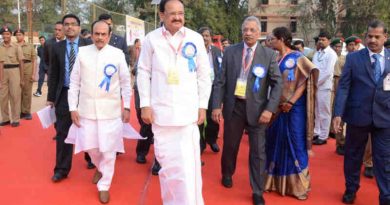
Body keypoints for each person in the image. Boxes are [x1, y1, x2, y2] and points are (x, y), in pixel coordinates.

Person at [137, 0, 212, 204]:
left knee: (188, 170)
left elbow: (205, 75)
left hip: (188, 116)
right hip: (161, 116)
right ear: (162, 15)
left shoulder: (195, 38)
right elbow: (143, 72)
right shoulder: (151, 39)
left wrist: (202, 106)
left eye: (181, 13)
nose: (178, 17)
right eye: (172, 14)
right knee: (168, 169)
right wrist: (145, 104)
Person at [212, 16, 283, 205]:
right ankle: (227, 173)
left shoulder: (268, 55)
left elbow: (277, 84)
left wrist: (270, 109)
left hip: (259, 111)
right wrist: (216, 106)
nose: (248, 33)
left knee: (258, 152)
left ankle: (258, 190)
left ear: (259, 33)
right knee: (230, 146)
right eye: (245, 29)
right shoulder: (230, 52)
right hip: (234, 107)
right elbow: (220, 81)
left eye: (252, 30)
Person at [66, 20, 131, 204]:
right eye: (97, 34)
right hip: (86, 110)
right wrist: (73, 107)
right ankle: (100, 167)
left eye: (104, 34)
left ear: (109, 35)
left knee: (109, 150)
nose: (100, 37)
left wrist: (126, 106)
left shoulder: (118, 54)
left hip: (111, 112)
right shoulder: (82, 53)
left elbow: (126, 84)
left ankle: (104, 185)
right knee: (90, 147)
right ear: (92, 34)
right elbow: (74, 83)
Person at [333, 20, 390, 205]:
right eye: (369, 36)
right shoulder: (353, 58)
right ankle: (351, 188)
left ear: (385, 37)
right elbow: (343, 87)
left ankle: (386, 196)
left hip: (385, 117)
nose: (372, 40)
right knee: (353, 156)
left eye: (377, 37)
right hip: (358, 116)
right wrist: (338, 114)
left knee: (384, 159)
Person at [264, 26, 318, 200]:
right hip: (276, 109)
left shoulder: (298, 57)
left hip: (294, 109)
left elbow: (305, 79)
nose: (270, 42)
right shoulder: (275, 57)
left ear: (281, 39)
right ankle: (273, 182)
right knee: (274, 141)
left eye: (272, 39)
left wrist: (291, 101)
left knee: (295, 142)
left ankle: (298, 186)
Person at [47, 14, 93, 183]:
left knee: (89, 129)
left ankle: (92, 159)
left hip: (86, 94)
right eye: (66, 24)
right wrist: (51, 97)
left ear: (79, 27)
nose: (69, 27)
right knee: (62, 133)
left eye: (73, 24)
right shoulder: (57, 48)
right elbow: (53, 74)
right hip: (65, 94)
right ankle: (61, 169)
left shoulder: (89, 45)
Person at [198, 26, 222, 153]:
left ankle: (212, 140)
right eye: (202, 35)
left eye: (207, 35)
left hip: (214, 88)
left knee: (213, 117)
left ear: (210, 37)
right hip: (198, 89)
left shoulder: (217, 51)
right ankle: (200, 144)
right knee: (199, 117)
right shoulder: (192, 50)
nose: (204, 38)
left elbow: (221, 71)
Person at [312, 31, 338, 145]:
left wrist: (316, 83)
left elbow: (328, 72)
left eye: (323, 39)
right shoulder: (317, 53)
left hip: (324, 86)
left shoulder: (331, 54)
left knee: (324, 111)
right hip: (315, 85)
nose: (321, 41)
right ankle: (316, 132)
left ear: (329, 41)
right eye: (319, 39)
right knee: (316, 111)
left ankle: (323, 135)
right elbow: (313, 68)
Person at [0, 26, 24, 127]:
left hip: (14, 71)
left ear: (10, 35)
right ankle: (5, 118)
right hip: (2, 72)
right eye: (3, 34)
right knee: (3, 97)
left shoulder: (16, 46)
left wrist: (22, 78)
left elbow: (21, 62)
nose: (5, 36)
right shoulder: (0, 47)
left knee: (15, 96)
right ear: (1, 35)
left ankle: (15, 119)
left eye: (7, 34)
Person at [14, 29, 37, 120]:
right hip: (16, 69)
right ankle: (19, 111)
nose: (18, 36)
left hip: (28, 68)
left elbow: (34, 60)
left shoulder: (30, 46)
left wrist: (33, 74)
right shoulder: (13, 46)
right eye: (17, 35)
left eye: (20, 34)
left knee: (27, 91)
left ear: (23, 36)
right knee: (17, 91)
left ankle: (26, 112)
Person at [329, 38, 346, 155]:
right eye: (336, 46)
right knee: (337, 112)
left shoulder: (346, 58)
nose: (338, 48)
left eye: (340, 46)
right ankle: (339, 142)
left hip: (343, 83)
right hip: (332, 82)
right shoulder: (330, 56)